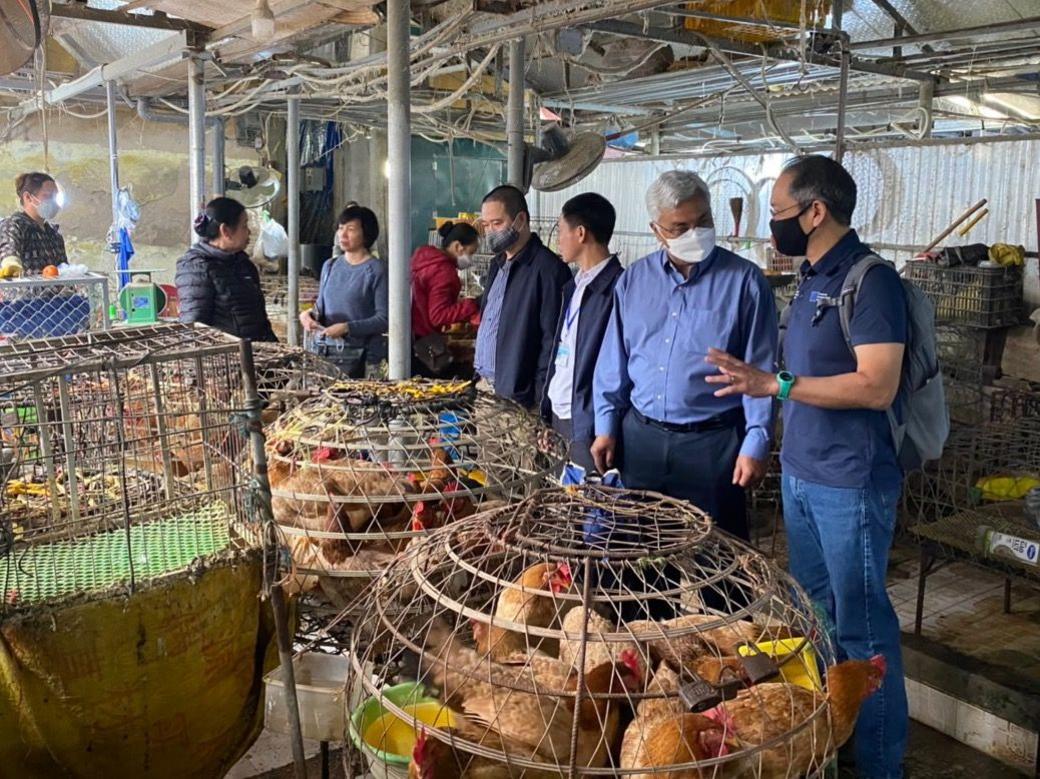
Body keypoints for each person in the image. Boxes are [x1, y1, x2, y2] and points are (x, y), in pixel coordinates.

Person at [704, 155, 908, 778]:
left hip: (850, 483)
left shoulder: (871, 282)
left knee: (864, 631)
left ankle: (878, 766)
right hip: (804, 476)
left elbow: (877, 386)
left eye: (780, 214)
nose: (773, 227)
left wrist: (777, 385)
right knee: (818, 622)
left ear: (816, 212)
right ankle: (830, 742)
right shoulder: (812, 277)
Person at [591, 170, 777, 541]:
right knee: (643, 564)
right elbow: (614, 361)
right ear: (656, 230)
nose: (695, 233)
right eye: (679, 227)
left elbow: (761, 366)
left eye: (703, 221)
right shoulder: (634, 281)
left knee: (721, 567)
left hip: (713, 445)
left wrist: (756, 441)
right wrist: (606, 427)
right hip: (641, 441)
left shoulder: (744, 282)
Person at [540, 193, 623, 472]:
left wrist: (603, 427)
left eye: (560, 231)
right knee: (560, 502)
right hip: (560, 411)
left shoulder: (616, 289)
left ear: (580, 233)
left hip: (588, 421)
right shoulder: (575, 285)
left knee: (586, 505)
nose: (558, 240)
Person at [474, 185, 571, 409]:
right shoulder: (496, 265)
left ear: (520, 220)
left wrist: (536, 398)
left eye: (497, 223)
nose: (490, 232)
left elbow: (553, 341)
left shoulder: (548, 270)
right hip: (485, 389)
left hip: (519, 400)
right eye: (486, 225)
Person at [299, 205, 388, 378]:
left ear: (366, 234)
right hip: (327, 354)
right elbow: (321, 307)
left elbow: (384, 319)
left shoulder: (377, 270)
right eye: (340, 228)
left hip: (362, 358)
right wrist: (307, 315)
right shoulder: (330, 266)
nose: (343, 234)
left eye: (351, 229)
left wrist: (347, 328)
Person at [176, 197, 277, 342]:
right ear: (225, 231)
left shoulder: (244, 264)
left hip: (256, 355)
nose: (249, 232)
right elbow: (193, 330)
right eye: (244, 226)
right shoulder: (196, 267)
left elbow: (260, 321)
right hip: (224, 360)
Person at [0, 172, 68, 273]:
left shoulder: (54, 234)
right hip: (24, 288)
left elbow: (64, 269)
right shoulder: (14, 225)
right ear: (28, 197)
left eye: (55, 197)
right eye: (47, 196)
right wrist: (11, 263)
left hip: (54, 289)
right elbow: (8, 249)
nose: (53, 201)